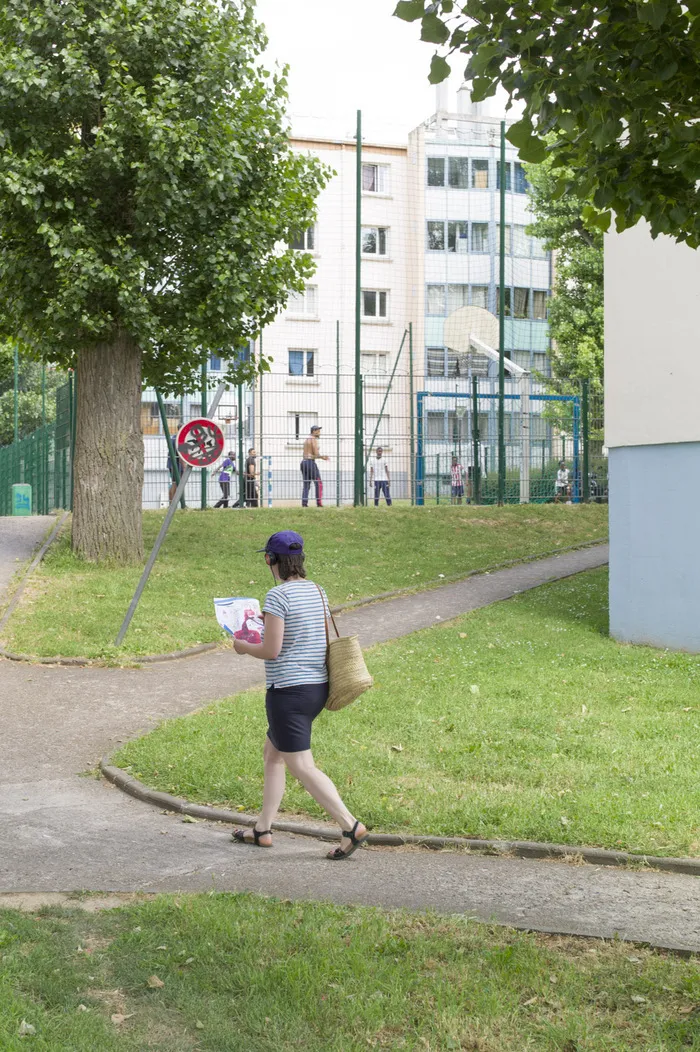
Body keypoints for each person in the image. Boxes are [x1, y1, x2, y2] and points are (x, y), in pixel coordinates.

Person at [231, 530, 368, 860]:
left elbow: (271, 650)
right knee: (272, 754)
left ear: (270, 560)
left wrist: (242, 646)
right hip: (316, 689)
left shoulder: (277, 597)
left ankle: (350, 825)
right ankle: (262, 829)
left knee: (301, 765)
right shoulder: (316, 591)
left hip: (287, 694)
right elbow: (312, 635)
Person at [300, 425, 328, 507]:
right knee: (319, 483)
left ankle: (304, 504)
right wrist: (323, 457)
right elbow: (316, 453)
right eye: (318, 431)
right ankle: (319, 503)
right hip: (310, 463)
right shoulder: (313, 439)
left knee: (306, 484)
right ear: (314, 431)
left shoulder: (307, 439)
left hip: (303, 462)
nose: (319, 433)